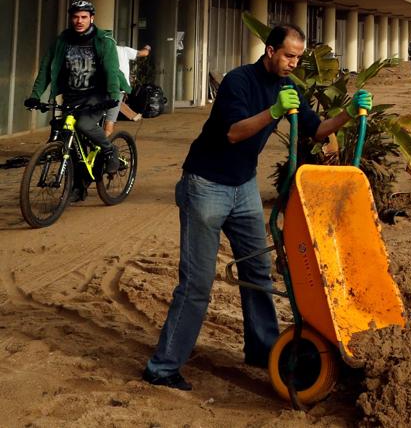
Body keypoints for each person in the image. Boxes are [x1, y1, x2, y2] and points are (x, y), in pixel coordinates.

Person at [142, 24, 373, 391]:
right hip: (206, 185)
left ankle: (262, 349)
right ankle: (163, 366)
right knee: (197, 284)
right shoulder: (239, 81)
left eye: (298, 57)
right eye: (288, 56)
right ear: (270, 51)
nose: (293, 64)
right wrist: (274, 110)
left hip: (243, 187)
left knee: (258, 272)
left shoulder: (290, 87)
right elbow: (234, 131)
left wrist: (349, 112)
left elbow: (316, 130)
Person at [25, 1, 130, 200]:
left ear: (92, 18)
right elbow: (47, 69)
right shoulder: (62, 41)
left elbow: (111, 71)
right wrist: (35, 96)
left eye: (83, 17)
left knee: (84, 124)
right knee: (67, 137)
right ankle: (77, 187)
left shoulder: (103, 41)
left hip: (98, 94)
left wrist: (113, 97)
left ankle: (109, 151)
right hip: (72, 95)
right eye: (75, 17)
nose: (78, 21)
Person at [107, 42, 151, 131]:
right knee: (109, 122)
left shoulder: (99, 50)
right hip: (117, 89)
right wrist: (147, 47)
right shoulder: (123, 50)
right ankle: (105, 140)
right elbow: (143, 53)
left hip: (100, 88)